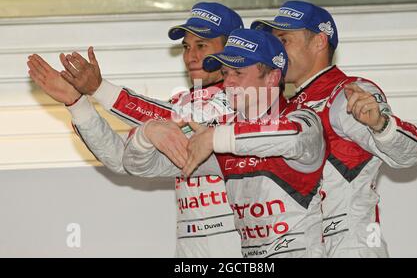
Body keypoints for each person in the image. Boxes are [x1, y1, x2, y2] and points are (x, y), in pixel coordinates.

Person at [27, 2, 243, 258]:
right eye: (186, 47)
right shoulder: (183, 102)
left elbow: (175, 120)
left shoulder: (241, 102)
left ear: (230, 50)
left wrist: (100, 89)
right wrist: (78, 105)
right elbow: (122, 160)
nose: (190, 56)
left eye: (201, 45)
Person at [122, 28, 328, 258]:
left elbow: (290, 136)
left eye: (238, 72)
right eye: (224, 72)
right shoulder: (219, 138)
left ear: (272, 77)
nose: (228, 82)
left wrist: (217, 138)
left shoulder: (303, 119)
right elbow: (137, 166)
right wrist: (147, 134)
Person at [250, 0, 417, 257]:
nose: (276, 52)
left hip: (349, 248)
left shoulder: (346, 94)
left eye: (284, 40)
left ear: (319, 42)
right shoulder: (288, 108)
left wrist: (381, 124)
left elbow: (410, 154)